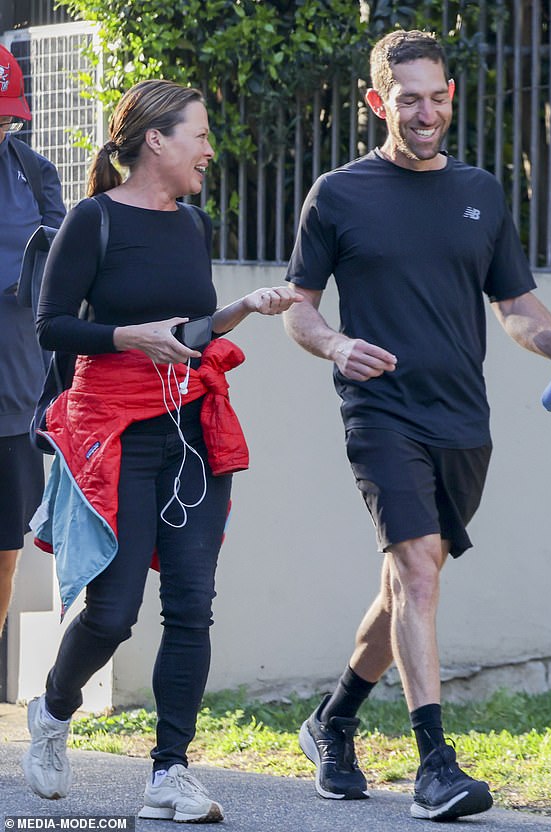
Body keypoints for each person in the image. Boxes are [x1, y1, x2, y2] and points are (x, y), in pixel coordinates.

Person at [283, 30, 551, 822]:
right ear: (378, 102)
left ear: (451, 95)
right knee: (415, 570)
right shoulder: (339, 193)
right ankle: (434, 766)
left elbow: (515, 305)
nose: (425, 112)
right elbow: (300, 308)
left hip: (463, 422)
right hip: (381, 412)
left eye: (436, 96)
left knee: (411, 583)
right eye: (407, 98)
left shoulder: (480, 192)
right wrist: (338, 345)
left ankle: (332, 720)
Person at [21, 79, 302, 821]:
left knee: (191, 607)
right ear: (156, 141)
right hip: (114, 433)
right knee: (113, 612)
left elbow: (192, 330)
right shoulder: (92, 219)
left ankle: (169, 773)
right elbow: (50, 326)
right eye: (200, 135)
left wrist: (239, 309)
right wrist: (125, 336)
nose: (210, 149)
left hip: (189, 432)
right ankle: (52, 711)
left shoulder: (193, 224)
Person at [0, 44, 65, 636]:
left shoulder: (34, 172)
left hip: (13, 399)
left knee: (2, 549)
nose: (2, 127)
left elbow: (61, 270)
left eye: (7, 118)